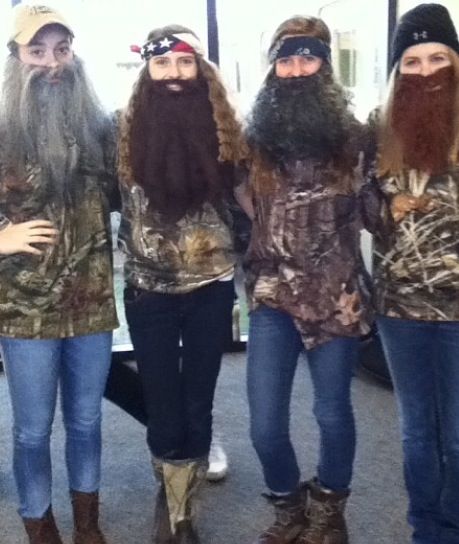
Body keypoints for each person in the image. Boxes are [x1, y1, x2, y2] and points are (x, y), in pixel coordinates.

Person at [117, 24, 250, 543]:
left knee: (197, 398)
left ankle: (183, 514)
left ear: (200, 69)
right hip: (148, 291)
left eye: (184, 63)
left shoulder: (228, 133)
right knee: (163, 401)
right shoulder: (121, 134)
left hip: (211, 287)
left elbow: (252, 201)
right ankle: (168, 497)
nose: (174, 74)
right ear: (148, 71)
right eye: (162, 64)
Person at [244, 15, 371, 544]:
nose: (296, 69)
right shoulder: (253, 143)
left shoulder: (357, 140)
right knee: (265, 424)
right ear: (273, 68)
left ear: (324, 66)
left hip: (336, 296)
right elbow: (237, 208)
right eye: (286, 58)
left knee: (332, 412)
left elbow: (381, 211)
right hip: (273, 296)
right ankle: (288, 507)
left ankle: (329, 509)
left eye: (307, 57)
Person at [0, 4, 118, 544]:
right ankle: (38, 524)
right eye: (37, 51)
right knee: (31, 430)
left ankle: (87, 523)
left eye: (62, 49)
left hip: (91, 301)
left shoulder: (100, 128)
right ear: (15, 59)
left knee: (88, 421)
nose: (52, 63)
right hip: (23, 308)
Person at [369, 4, 459, 544]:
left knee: (457, 435)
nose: (425, 71)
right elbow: (355, 206)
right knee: (417, 431)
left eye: (438, 57)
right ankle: (426, 530)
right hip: (399, 306)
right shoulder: (377, 132)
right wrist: (386, 210)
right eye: (412, 61)